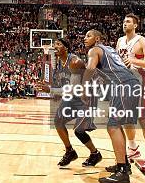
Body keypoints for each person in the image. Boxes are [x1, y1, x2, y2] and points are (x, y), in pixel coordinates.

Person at [83, 29, 141, 183]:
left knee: (113, 126)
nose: (84, 38)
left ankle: (122, 173)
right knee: (116, 124)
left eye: (88, 35)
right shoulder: (109, 50)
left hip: (123, 85)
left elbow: (89, 69)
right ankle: (124, 165)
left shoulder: (94, 50)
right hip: (131, 84)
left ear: (98, 38)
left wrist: (84, 88)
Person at [34, 38, 103, 168]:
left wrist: (51, 90)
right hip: (73, 97)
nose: (55, 47)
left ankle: (95, 154)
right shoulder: (61, 61)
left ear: (66, 47)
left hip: (86, 97)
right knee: (58, 121)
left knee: (79, 131)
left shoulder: (75, 62)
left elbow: (74, 89)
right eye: (54, 45)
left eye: (58, 44)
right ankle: (69, 151)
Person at [116, 14, 145, 172]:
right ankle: (133, 149)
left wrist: (133, 60)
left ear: (135, 25)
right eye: (123, 21)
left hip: (141, 81)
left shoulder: (142, 41)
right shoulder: (120, 41)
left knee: (142, 118)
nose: (124, 23)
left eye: (127, 21)